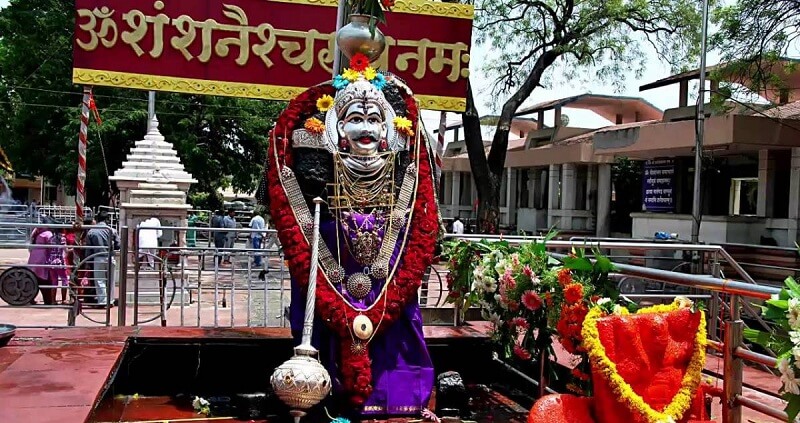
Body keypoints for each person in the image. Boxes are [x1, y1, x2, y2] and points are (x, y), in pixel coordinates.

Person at [85, 212, 120, 307]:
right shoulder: (112, 230)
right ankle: (110, 300)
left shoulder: (92, 231)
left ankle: (102, 301)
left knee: (99, 280)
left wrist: (88, 261)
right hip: (110, 256)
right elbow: (118, 245)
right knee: (111, 280)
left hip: (98, 257)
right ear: (106, 219)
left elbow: (89, 248)